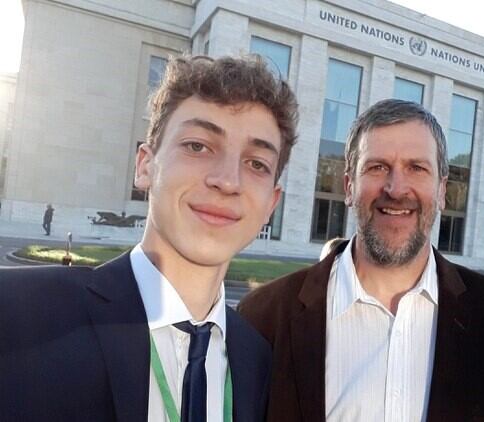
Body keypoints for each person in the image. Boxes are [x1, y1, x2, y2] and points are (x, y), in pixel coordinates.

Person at [0, 54, 299, 422]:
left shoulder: (259, 362)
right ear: (145, 165)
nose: (227, 180)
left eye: (257, 164)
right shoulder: (20, 317)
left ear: (271, 202)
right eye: (197, 146)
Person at [238, 99, 484, 421]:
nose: (396, 189)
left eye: (417, 168)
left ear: (441, 190)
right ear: (349, 185)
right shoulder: (263, 318)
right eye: (377, 167)